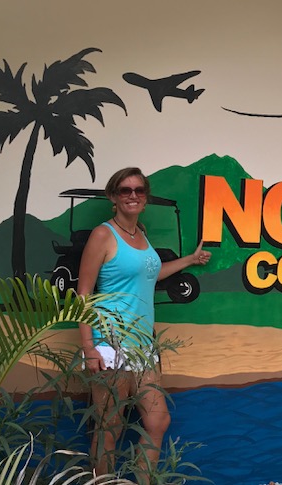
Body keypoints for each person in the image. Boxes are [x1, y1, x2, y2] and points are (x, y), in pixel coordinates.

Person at [77, 167, 211, 478]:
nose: (133, 195)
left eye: (139, 190)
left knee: (157, 421)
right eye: (125, 190)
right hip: (110, 344)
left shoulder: (140, 234)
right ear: (113, 197)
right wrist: (89, 348)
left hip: (142, 346)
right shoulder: (103, 235)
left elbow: (151, 275)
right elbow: (83, 293)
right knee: (109, 427)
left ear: (145, 198)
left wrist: (190, 260)